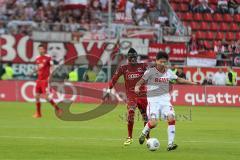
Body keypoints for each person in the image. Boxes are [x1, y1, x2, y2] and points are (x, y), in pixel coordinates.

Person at [135, 51, 197, 151]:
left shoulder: (168, 72)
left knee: (171, 118)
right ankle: (144, 132)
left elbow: (179, 80)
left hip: (165, 101)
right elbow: (140, 81)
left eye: (165, 62)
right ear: (156, 61)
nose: (163, 64)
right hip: (153, 101)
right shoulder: (150, 72)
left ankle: (170, 144)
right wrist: (137, 87)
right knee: (154, 123)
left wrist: (191, 82)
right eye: (161, 61)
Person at [104, 48, 149, 146]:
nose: (133, 59)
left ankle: (147, 136)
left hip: (143, 95)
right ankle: (129, 137)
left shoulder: (143, 66)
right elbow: (114, 79)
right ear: (128, 58)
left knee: (145, 116)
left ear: (137, 58)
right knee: (131, 112)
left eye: (134, 57)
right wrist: (108, 90)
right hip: (131, 96)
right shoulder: (123, 68)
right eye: (131, 57)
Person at [33, 44, 62, 118]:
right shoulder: (37, 58)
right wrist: (35, 70)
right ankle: (38, 114)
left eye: (42, 49)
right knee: (36, 96)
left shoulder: (48, 57)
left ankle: (58, 109)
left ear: (44, 50)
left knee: (46, 97)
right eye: (39, 49)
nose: (40, 50)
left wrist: (51, 75)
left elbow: (52, 66)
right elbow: (38, 67)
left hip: (45, 80)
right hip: (39, 80)